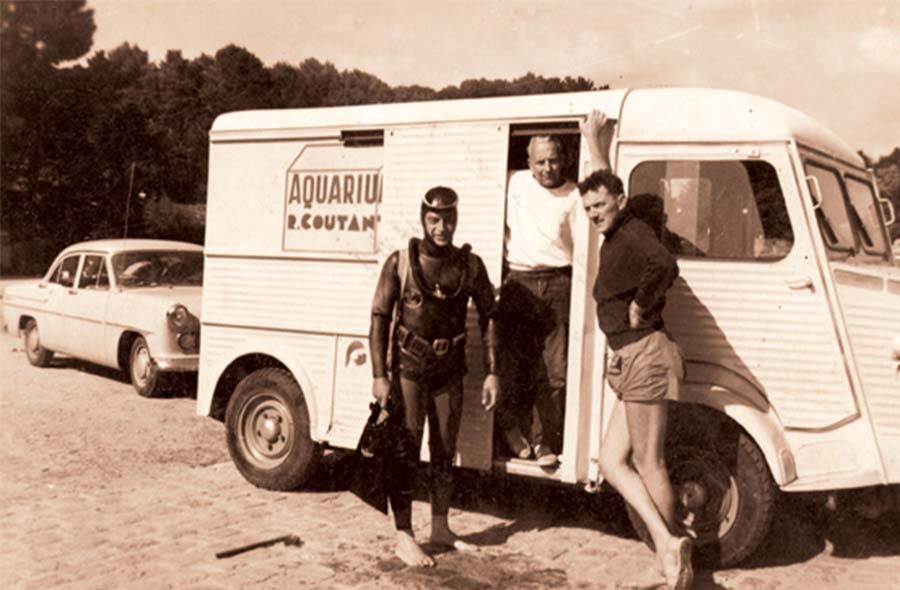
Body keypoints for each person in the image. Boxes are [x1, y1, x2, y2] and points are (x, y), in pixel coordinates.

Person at [369, 186, 500, 568]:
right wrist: (380, 375)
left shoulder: (470, 267)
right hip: (408, 367)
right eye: (433, 220)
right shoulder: (401, 262)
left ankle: (440, 527)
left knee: (444, 448)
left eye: (448, 220)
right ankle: (404, 536)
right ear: (423, 219)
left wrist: (493, 373)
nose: (441, 227)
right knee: (406, 448)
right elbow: (379, 316)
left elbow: (490, 317)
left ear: (456, 219)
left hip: (449, 369)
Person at [578, 169, 693, 590]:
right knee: (611, 461)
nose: (594, 214)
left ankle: (669, 554)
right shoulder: (618, 234)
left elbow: (664, 263)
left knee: (648, 462)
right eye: (588, 208)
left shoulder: (632, 231)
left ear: (620, 200)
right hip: (633, 358)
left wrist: (642, 304)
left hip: (645, 355)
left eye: (600, 205)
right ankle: (667, 549)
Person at [497, 110, 614, 467]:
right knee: (513, 366)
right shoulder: (514, 182)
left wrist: (595, 141)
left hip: (560, 282)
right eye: (541, 161)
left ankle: (544, 441)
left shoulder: (576, 194)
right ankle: (510, 430)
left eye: (554, 160)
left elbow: (607, 187)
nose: (548, 168)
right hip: (519, 280)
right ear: (529, 163)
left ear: (564, 160)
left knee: (554, 370)